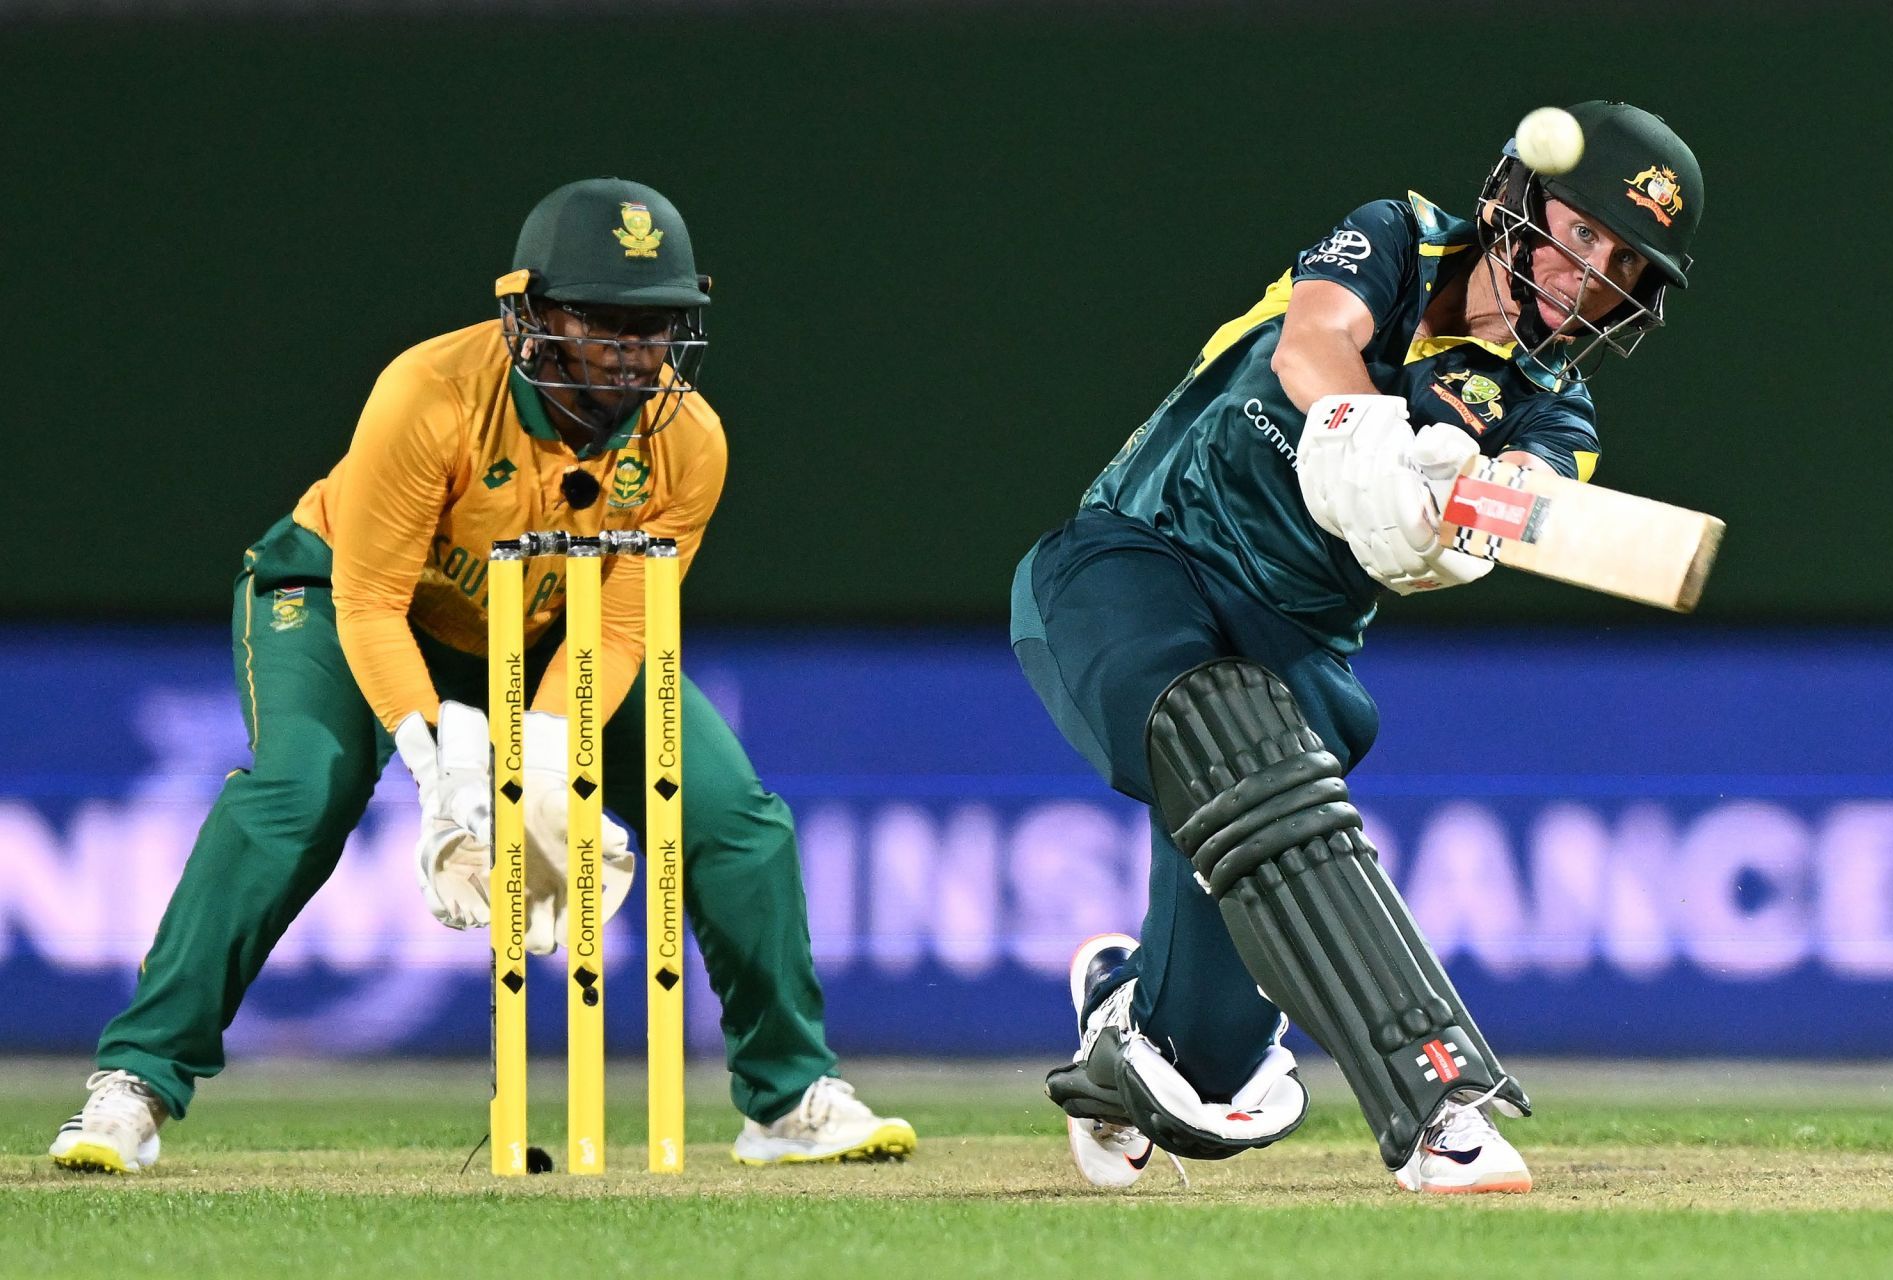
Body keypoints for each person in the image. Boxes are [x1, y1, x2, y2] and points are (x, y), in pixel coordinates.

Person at [51, 177, 915, 1173]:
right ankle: (136, 1082)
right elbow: (372, 601)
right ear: (534, 316)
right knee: (298, 792)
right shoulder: (430, 394)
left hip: (554, 632)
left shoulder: (690, 441)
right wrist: (447, 777)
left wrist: (543, 760)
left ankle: (788, 1093)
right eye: (607, 321)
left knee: (732, 817)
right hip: (347, 602)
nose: (637, 353)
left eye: (657, 324)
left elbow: (626, 626)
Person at [1012, 102, 1702, 1194]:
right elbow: (1315, 338)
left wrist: (1447, 529)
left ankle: (1124, 1019)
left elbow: (1511, 511)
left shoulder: (1557, 420)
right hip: (1130, 561)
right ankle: (1440, 1102)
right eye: (1583, 234)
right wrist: (1363, 429)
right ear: (1519, 204)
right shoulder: (1399, 235)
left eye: (1623, 267)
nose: (1590, 277)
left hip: (1292, 645)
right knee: (1233, 727)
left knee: (1203, 1072)